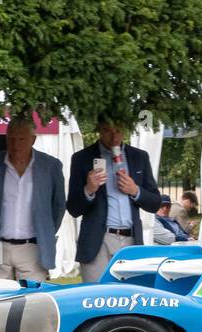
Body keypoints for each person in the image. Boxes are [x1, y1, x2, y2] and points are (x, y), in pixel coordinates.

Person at [67, 118, 162, 282]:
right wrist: (88, 190)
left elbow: (155, 203)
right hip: (98, 241)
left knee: (130, 297)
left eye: (118, 130)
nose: (113, 137)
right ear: (99, 130)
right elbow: (73, 209)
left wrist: (135, 191)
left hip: (131, 240)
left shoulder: (139, 157)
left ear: (125, 129)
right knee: (96, 298)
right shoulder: (82, 158)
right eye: (107, 131)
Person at [0, 117, 67, 282]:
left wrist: (45, 232)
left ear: (32, 140)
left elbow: (59, 206)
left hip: (33, 247)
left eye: (21, 139)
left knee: (33, 301)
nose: (15, 144)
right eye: (11, 139)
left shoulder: (50, 166)